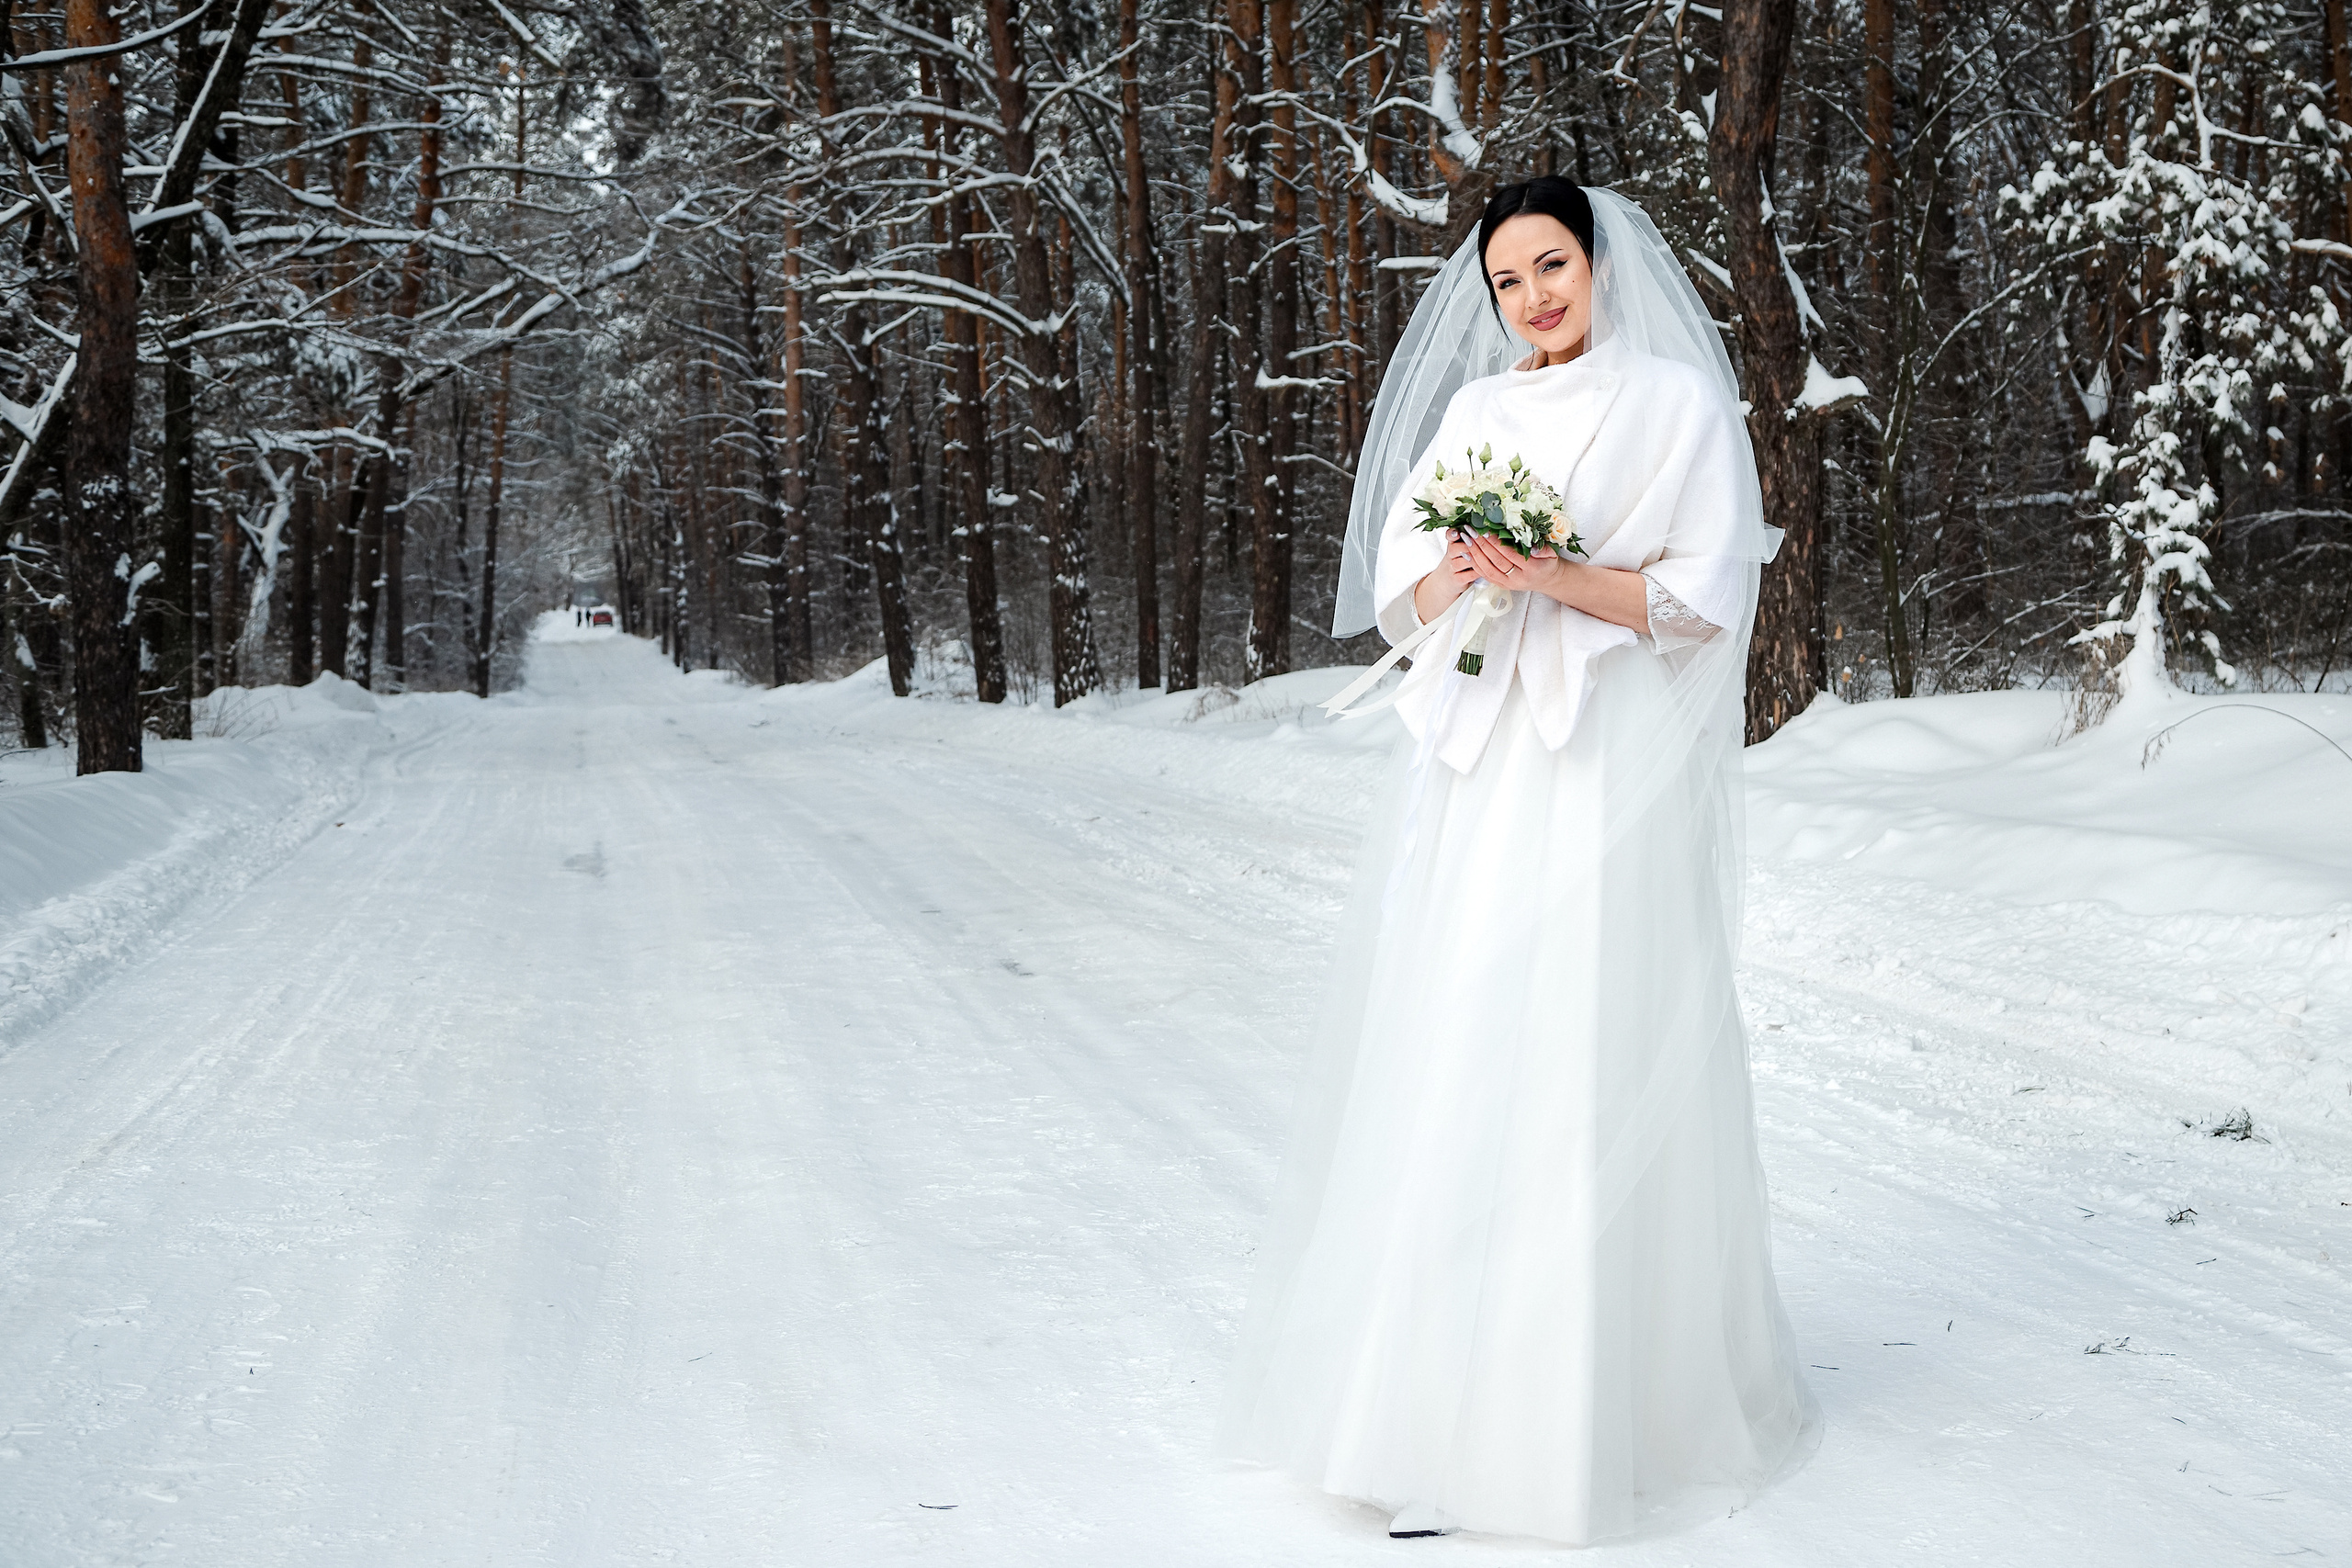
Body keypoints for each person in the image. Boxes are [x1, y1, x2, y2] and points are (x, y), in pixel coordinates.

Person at [1216, 178, 1818, 1547]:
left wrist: (1561, 578)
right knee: (1467, 1038)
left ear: (1600, 264)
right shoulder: (1480, 415)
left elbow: (1703, 597)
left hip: (1600, 758)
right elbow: (1399, 597)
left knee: (1586, 1036)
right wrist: (1476, 576)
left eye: (1553, 265)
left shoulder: (1673, 404)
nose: (1534, 298)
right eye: (1508, 284)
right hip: (1490, 769)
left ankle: (1591, 1402)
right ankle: (1419, 1397)